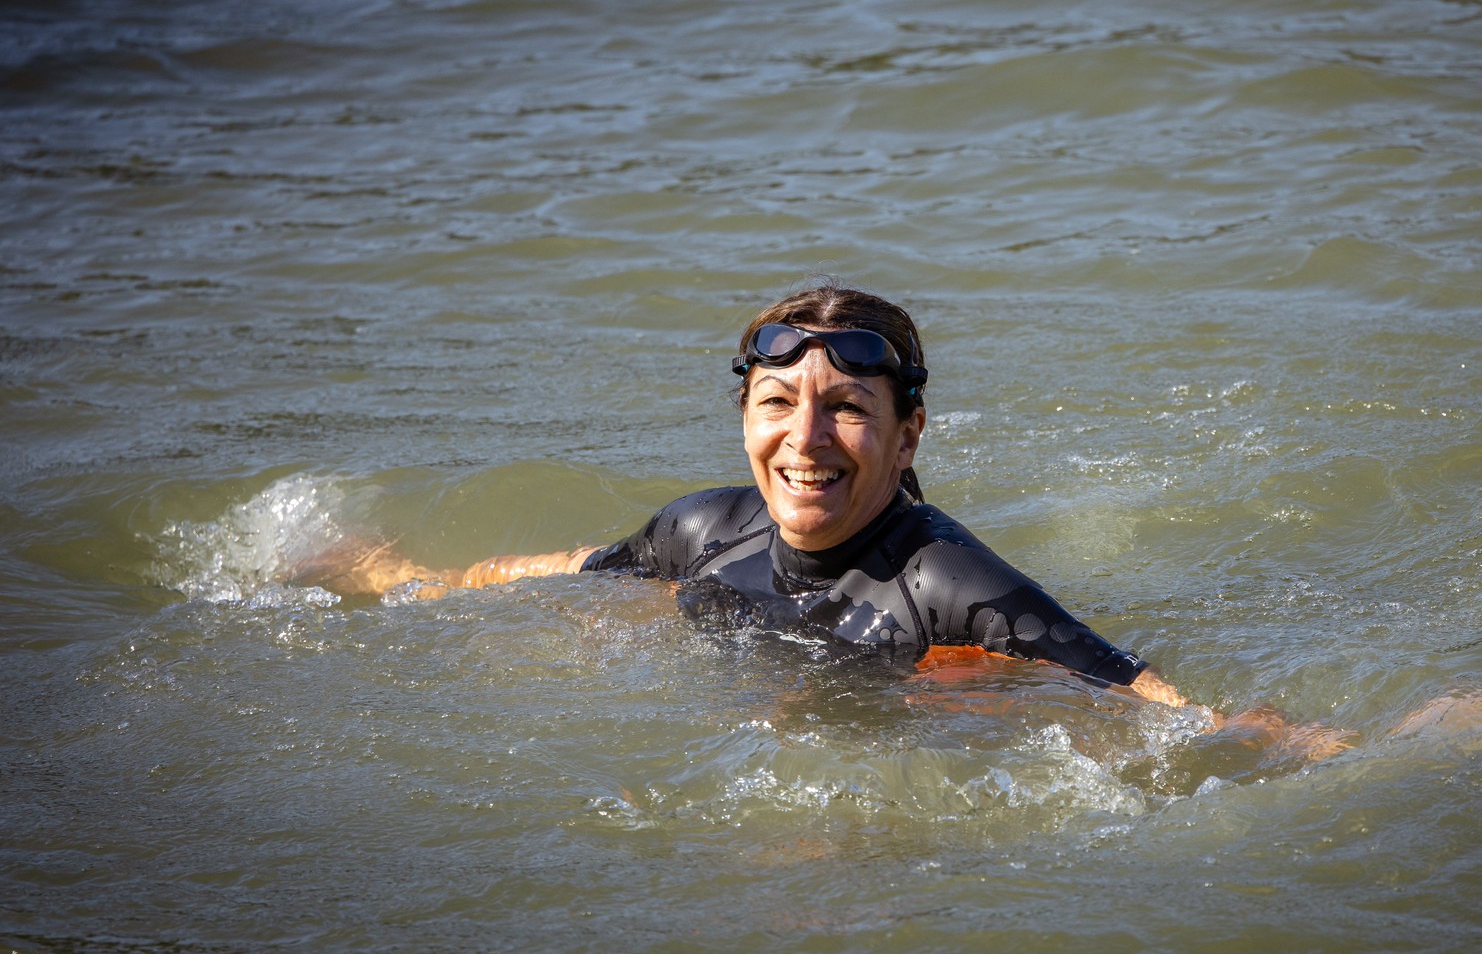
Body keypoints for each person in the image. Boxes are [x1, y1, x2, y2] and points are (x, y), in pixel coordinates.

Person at [332, 281, 1374, 758]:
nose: (808, 437)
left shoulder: (947, 582)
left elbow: (1157, 699)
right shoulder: (706, 530)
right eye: (779, 403)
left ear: (909, 433)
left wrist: (1365, 747)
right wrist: (392, 578)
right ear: (744, 414)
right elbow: (574, 567)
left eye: (849, 408)